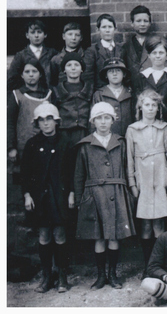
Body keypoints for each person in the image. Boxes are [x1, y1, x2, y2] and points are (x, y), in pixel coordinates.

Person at [74, 102, 136, 289]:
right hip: (94, 195)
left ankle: (113, 274)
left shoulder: (121, 142)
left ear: (112, 120)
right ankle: (101, 276)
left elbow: (127, 168)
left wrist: (128, 193)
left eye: (106, 118)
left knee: (114, 236)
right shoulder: (85, 145)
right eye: (99, 118)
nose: (103, 122)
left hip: (117, 193)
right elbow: (79, 174)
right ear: (93, 121)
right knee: (99, 237)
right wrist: (80, 199)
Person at [20, 103, 76, 293]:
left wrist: (71, 192)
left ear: (56, 121)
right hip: (40, 198)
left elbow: (72, 171)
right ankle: (46, 276)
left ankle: (62, 276)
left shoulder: (66, 142)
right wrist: (27, 195)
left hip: (60, 196)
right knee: (44, 235)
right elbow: (25, 173)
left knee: (60, 234)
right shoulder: (32, 144)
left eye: (49, 119)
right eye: (41, 120)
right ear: (37, 123)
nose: (46, 124)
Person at [126, 89, 167, 276]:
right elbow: (129, 158)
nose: (150, 108)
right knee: (146, 224)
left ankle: (161, 266)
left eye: (154, 105)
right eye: (147, 104)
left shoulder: (164, 128)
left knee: (160, 226)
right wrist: (132, 183)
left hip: (161, 179)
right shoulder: (132, 129)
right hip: (143, 180)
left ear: (158, 108)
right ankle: (148, 266)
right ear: (140, 107)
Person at [7, 59, 54, 169]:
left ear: (40, 74)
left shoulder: (49, 94)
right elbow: (9, 123)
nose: (31, 74)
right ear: (22, 75)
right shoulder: (17, 94)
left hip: (47, 145)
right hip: (24, 146)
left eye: (34, 71)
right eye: (27, 72)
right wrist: (11, 147)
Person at [132, 35, 167, 121]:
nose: (157, 56)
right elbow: (137, 104)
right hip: (146, 122)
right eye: (154, 53)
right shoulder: (141, 77)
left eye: (161, 53)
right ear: (149, 55)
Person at [7, 19, 58, 90]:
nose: (36, 35)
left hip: (48, 94)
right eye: (32, 32)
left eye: (39, 32)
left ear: (45, 35)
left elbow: (58, 77)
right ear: (27, 35)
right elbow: (11, 79)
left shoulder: (52, 53)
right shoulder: (21, 55)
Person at [54, 52, 92, 145]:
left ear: (82, 69)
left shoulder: (90, 89)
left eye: (77, 65)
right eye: (69, 65)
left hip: (85, 133)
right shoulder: (56, 91)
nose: (73, 68)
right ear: (64, 69)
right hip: (63, 135)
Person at [92, 57, 134, 137]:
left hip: (128, 136)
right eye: (111, 72)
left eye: (118, 71)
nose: (115, 74)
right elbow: (93, 120)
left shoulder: (131, 93)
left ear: (124, 74)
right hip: (106, 137)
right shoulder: (99, 94)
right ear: (106, 75)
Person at [83, 14, 123, 90]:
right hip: (101, 92)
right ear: (98, 30)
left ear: (115, 29)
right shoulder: (92, 51)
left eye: (110, 27)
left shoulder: (122, 49)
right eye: (104, 27)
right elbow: (88, 77)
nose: (107, 30)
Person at [121, 5, 157, 81]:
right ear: (132, 23)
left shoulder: (157, 43)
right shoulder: (126, 46)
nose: (142, 24)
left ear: (150, 23)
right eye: (138, 21)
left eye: (145, 21)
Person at [50, 22, 85, 87]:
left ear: (81, 38)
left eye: (77, 35)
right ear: (63, 36)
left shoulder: (87, 57)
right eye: (70, 34)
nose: (73, 38)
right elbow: (53, 83)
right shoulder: (56, 59)